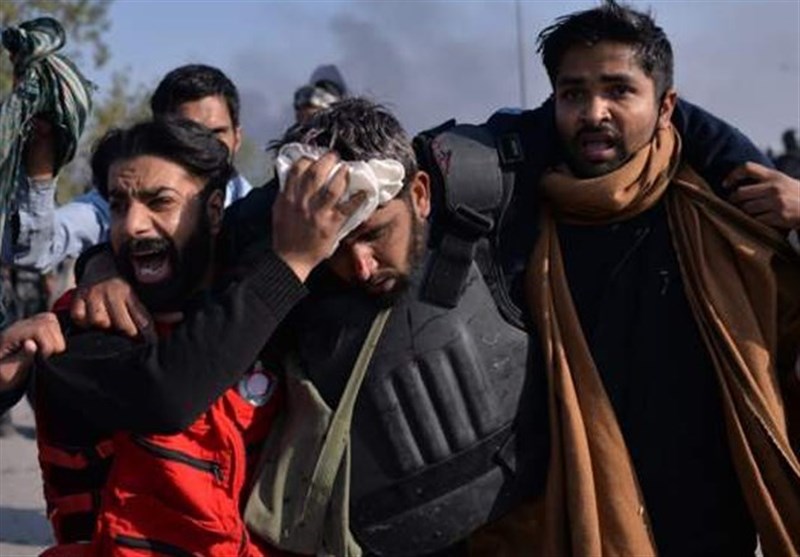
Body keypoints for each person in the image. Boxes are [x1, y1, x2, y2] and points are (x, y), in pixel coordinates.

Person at [56, 90, 786, 556]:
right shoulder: (280, 239)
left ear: (424, 195)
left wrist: (759, 179)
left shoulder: (483, 189)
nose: (360, 263)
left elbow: (619, 92)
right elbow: (177, 256)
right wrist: (102, 266)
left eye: (377, 234)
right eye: (339, 246)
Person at [470, 2, 800, 556]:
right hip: (568, 520)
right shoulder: (514, 221)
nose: (593, 112)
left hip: (710, 523)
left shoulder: (723, 207)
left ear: (666, 105)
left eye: (619, 90)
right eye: (573, 94)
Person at [31, 116, 360, 555]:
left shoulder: (259, 309)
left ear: (214, 210)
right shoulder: (78, 326)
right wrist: (291, 264)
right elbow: (166, 394)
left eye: (160, 202)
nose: (132, 225)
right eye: (119, 205)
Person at [11, 63, 254, 274]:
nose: (205, 147)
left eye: (217, 133)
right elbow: (32, 249)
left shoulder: (262, 215)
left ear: (237, 137)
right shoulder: (119, 204)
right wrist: (41, 155)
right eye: (189, 133)